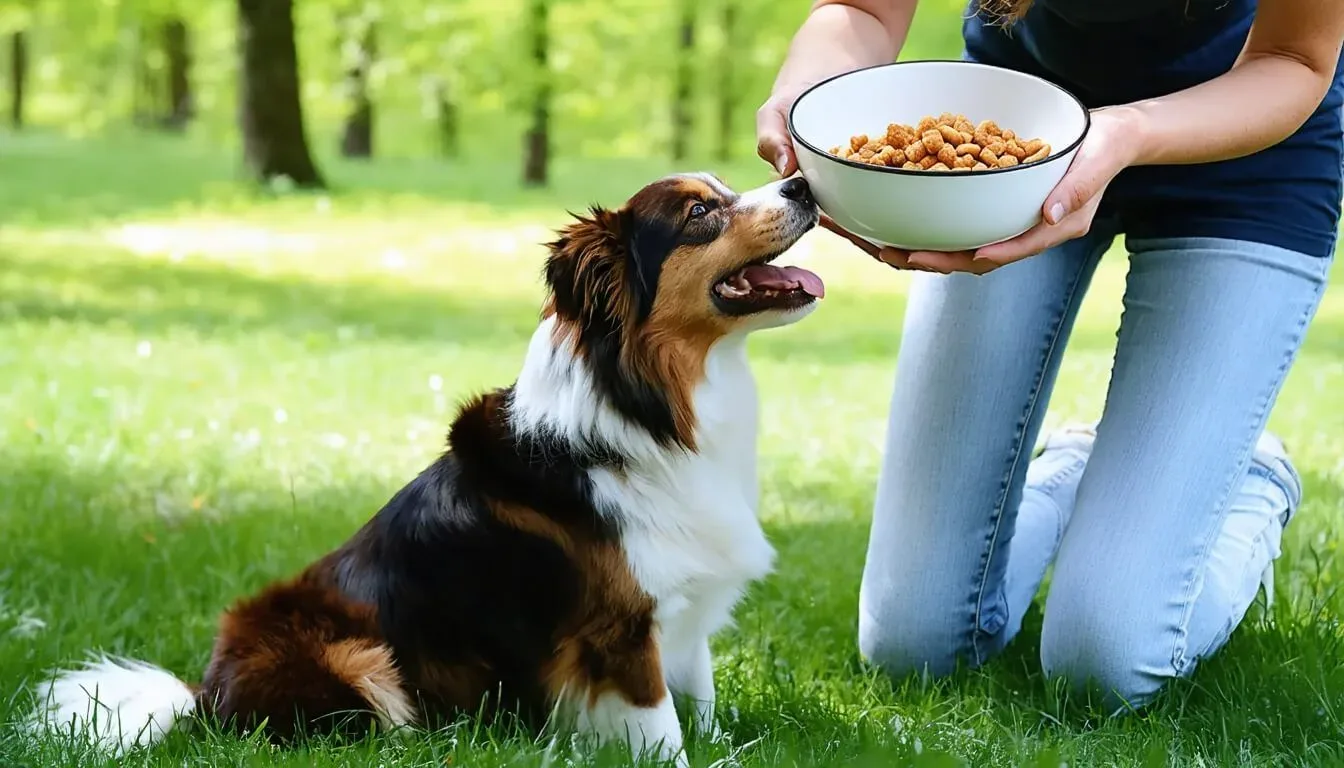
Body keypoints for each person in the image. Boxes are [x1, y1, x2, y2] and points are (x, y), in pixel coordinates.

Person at [755, 0, 1343, 712]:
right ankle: (1074, 473)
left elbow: (1296, 60)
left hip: (1245, 156)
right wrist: (809, 98)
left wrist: (1125, 131)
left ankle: (1255, 480)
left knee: (1107, 661)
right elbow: (860, 12)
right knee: (914, 644)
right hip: (1017, 144)